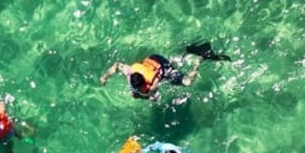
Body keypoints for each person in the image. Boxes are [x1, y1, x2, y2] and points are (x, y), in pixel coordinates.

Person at [97, 42, 230, 100]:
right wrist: (105, 76)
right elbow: (116, 66)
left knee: (188, 82)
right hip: (153, 59)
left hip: (161, 66)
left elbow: (152, 94)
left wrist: (147, 96)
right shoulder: (130, 72)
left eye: (143, 87)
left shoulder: (152, 83)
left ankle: (199, 59)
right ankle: (185, 52)